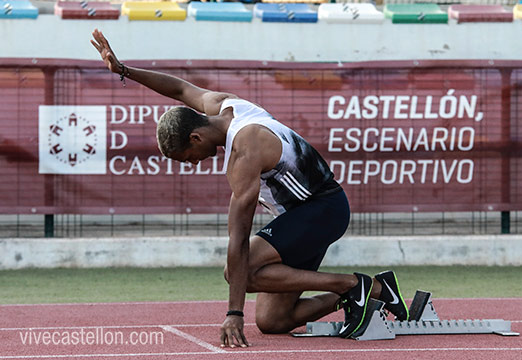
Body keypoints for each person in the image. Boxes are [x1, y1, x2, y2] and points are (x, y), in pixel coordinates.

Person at [91, 29, 410, 348]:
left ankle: (354, 285)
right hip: (302, 216)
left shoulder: (244, 153)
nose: (193, 164)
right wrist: (124, 71)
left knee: (238, 271)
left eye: (187, 158)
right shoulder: (220, 105)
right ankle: (378, 290)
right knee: (274, 321)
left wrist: (234, 312)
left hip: (323, 209)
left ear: (196, 138)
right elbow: (178, 87)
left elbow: (239, 239)